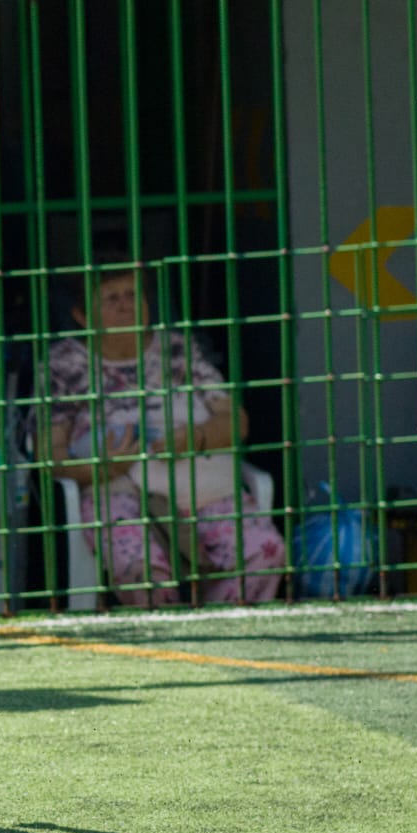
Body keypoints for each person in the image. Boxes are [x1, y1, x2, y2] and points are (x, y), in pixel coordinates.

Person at [42, 253, 285, 606]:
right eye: (111, 298)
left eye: (133, 295)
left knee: (266, 553)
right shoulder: (63, 364)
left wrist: (195, 438)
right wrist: (104, 466)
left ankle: (220, 631)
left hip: (205, 491)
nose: (126, 307)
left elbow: (235, 420)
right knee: (145, 573)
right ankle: (172, 640)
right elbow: (50, 455)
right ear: (81, 316)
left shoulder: (177, 350)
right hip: (118, 492)